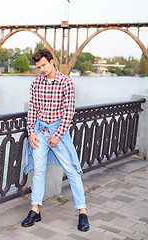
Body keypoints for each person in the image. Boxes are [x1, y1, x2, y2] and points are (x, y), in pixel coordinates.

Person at [21, 48, 90, 232]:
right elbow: (33, 111)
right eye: (38, 66)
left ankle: (82, 212)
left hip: (58, 132)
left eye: (44, 65)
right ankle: (35, 210)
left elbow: (68, 113)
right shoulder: (35, 84)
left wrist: (57, 136)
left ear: (52, 62)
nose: (41, 69)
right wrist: (31, 132)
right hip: (39, 132)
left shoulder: (66, 83)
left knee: (72, 171)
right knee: (38, 171)